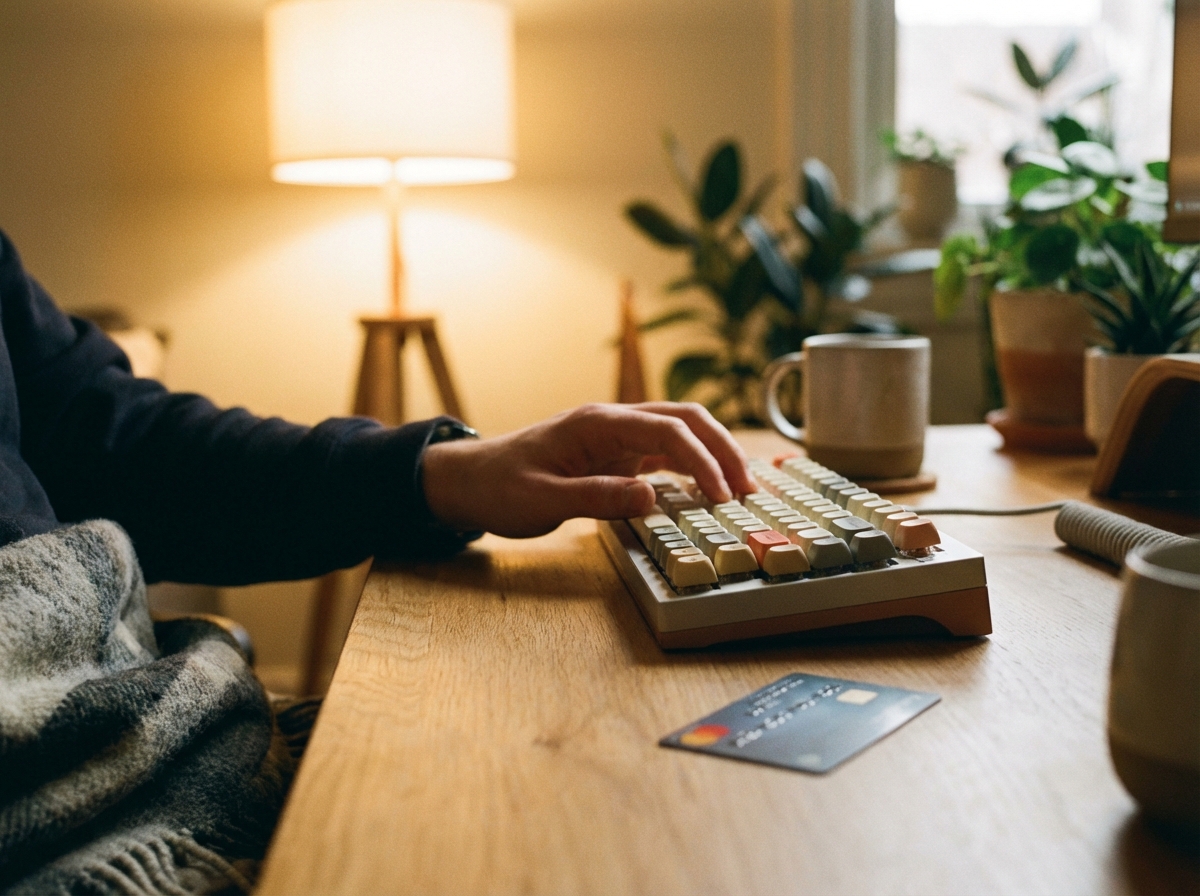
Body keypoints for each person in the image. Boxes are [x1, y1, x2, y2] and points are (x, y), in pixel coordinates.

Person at [0, 227, 754, 895]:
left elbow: (110, 438)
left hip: (158, 734)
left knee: (613, 796)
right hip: (82, 812)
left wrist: (444, 472)